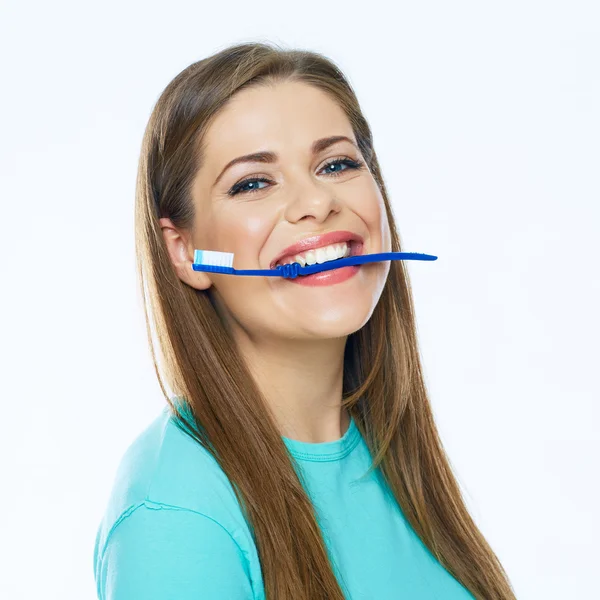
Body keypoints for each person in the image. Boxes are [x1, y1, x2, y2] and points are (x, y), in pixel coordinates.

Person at [93, 41, 517, 600]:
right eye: (253, 182)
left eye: (336, 164)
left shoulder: (393, 453)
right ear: (185, 251)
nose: (316, 201)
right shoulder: (175, 518)